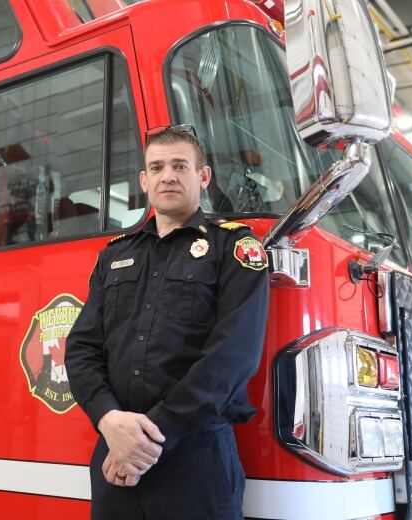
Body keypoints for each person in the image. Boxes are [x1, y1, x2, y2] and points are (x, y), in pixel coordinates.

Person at [65, 125, 270, 519]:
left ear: (203, 176)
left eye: (180, 165)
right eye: (157, 167)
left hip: (196, 457)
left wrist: (149, 439)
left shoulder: (235, 247)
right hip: (115, 452)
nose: (168, 176)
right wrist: (109, 420)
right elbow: (81, 349)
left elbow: (233, 357)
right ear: (144, 180)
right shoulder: (114, 256)